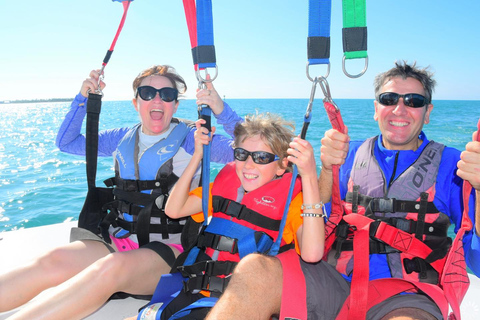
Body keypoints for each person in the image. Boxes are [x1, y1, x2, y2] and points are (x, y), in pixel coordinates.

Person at [205, 61, 480, 320]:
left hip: (407, 294)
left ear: (428, 112)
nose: (399, 109)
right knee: (256, 269)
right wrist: (325, 169)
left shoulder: (454, 167)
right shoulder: (348, 153)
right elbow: (318, 214)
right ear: (376, 108)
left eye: (414, 101)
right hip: (333, 282)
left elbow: (476, 261)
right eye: (389, 99)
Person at [0, 65, 242, 320]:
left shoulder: (195, 139)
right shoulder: (120, 138)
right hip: (120, 239)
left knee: (110, 268)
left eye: (167, 95)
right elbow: (66, 143)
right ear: (136, 102)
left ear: (176, 105)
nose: (157, 99)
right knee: (53, 261)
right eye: (147, 93)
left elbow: (255, 151)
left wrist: (221, 110)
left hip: (169, 251)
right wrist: (83, 99)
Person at [134, 112, 325, 319]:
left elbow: (312, 254)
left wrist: (309, 176)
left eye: (262, 157)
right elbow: (174, 209)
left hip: (237, 303)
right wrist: (198, 155)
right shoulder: (222, 188)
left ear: (281, 166)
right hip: (194, 292)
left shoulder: (292, 203)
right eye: (242, 154)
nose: (249, 165)